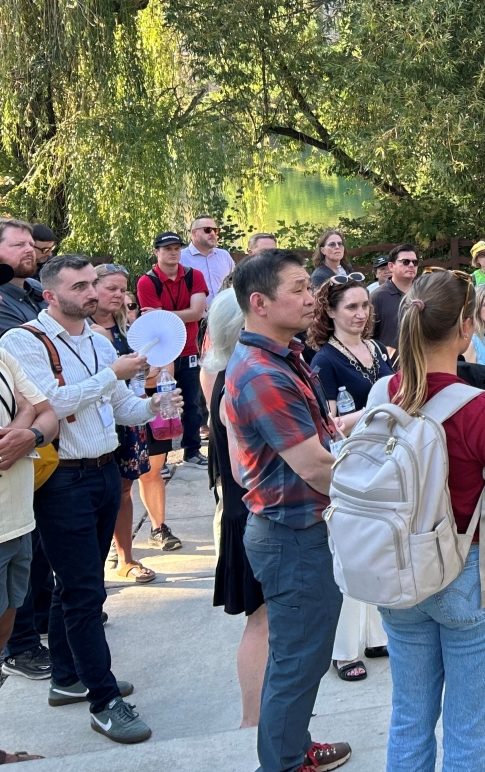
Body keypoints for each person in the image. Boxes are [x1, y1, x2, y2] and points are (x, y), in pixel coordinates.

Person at [380, 270, 485, 771]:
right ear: (465, 328)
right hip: (470, 569)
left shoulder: (388, 393)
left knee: (409, 718)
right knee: (470, 731)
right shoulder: (483, 409)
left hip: (402, 568)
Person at [1, 255, 162, 743]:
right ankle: (104, 698)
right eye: (81, 286)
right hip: (60, 481)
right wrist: (112, 374)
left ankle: (67, 677)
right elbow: (53, 404)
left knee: (76, 587)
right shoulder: (21, 341)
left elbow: (119, 410)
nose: (93, 293)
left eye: (94, 283)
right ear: (51, 295)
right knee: (86, 592)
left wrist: (154, 404)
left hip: (103, 472)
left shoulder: (97, 339)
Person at [225, 249, 352, 772]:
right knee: (298, 659)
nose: (311, 297)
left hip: (294, 527)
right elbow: (317, 469)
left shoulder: (283, 354)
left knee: (303, 654)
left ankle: (293, 745)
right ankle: (281, 762)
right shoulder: (262, 372)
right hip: (292, 533)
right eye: (298, 288)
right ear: (259, 302)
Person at [307, 277, 393, 684]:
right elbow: (330, 425)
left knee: (380, 548)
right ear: (330, 312)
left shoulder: (377, 350)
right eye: (351, 308)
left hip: (387, 457)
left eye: (365, 306)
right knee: (350, 553)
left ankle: (376, 635)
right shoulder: (324, 360)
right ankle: (343, 650)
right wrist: (376, 407)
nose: (361, 314)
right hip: (350, 462)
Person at [199, 288, 270, 728]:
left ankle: (272, 727)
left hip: (247, 514)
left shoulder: (232, 374)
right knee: (263, 624)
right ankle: (257, 726)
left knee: (267, 623)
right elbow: (247, 474)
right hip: (254, 515)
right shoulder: (240, 381)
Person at [0, 310, 59, 765]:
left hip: (18, 522)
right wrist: (28, 419)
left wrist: (24, 429)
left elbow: (44, 411)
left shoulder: (3, 354)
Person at [89, 265, 157, 584]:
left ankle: (125, 557)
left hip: (127, 413)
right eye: (111, 289)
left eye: (122, 290)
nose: (118, 295)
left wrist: (147, 379)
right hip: (91, 421)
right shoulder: (80, 330)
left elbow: (137, 372)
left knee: (124, 488)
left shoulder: (125, 328)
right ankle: (91, 566)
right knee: (95, 492)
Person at [136, 230, 209, 525]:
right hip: (160, 352)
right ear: (156, 252)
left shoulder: (193, 275)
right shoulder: (146, 281)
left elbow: (199, 312)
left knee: (191, 402)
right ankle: (161, 460)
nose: (173, 253)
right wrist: (183, 313)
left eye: (177, 248)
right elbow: (158, 318)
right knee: (162, 405)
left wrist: (166, 314)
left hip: (188, 347)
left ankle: (192, 449)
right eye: (167, 249)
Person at [0, 219, 45, 334]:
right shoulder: (1, 301)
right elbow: (28, 344)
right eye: (19, 245)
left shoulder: (36, 286)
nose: (30, 250)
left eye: (31, 245)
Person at [371, 243, 419, 349]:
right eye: (405, 262)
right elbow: (367, 337)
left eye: (415, 262)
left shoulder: (425, 293)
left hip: (424, 362)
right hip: (390, 363)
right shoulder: (377, 297)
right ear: (391, 266)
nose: (411, 265)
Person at [181, 215, 237, 292]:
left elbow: (235, 282)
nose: (213, 233)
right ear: (194, 233)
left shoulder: (224, 256)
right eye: (207, 230)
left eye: (215, 230)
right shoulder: (180, 258)